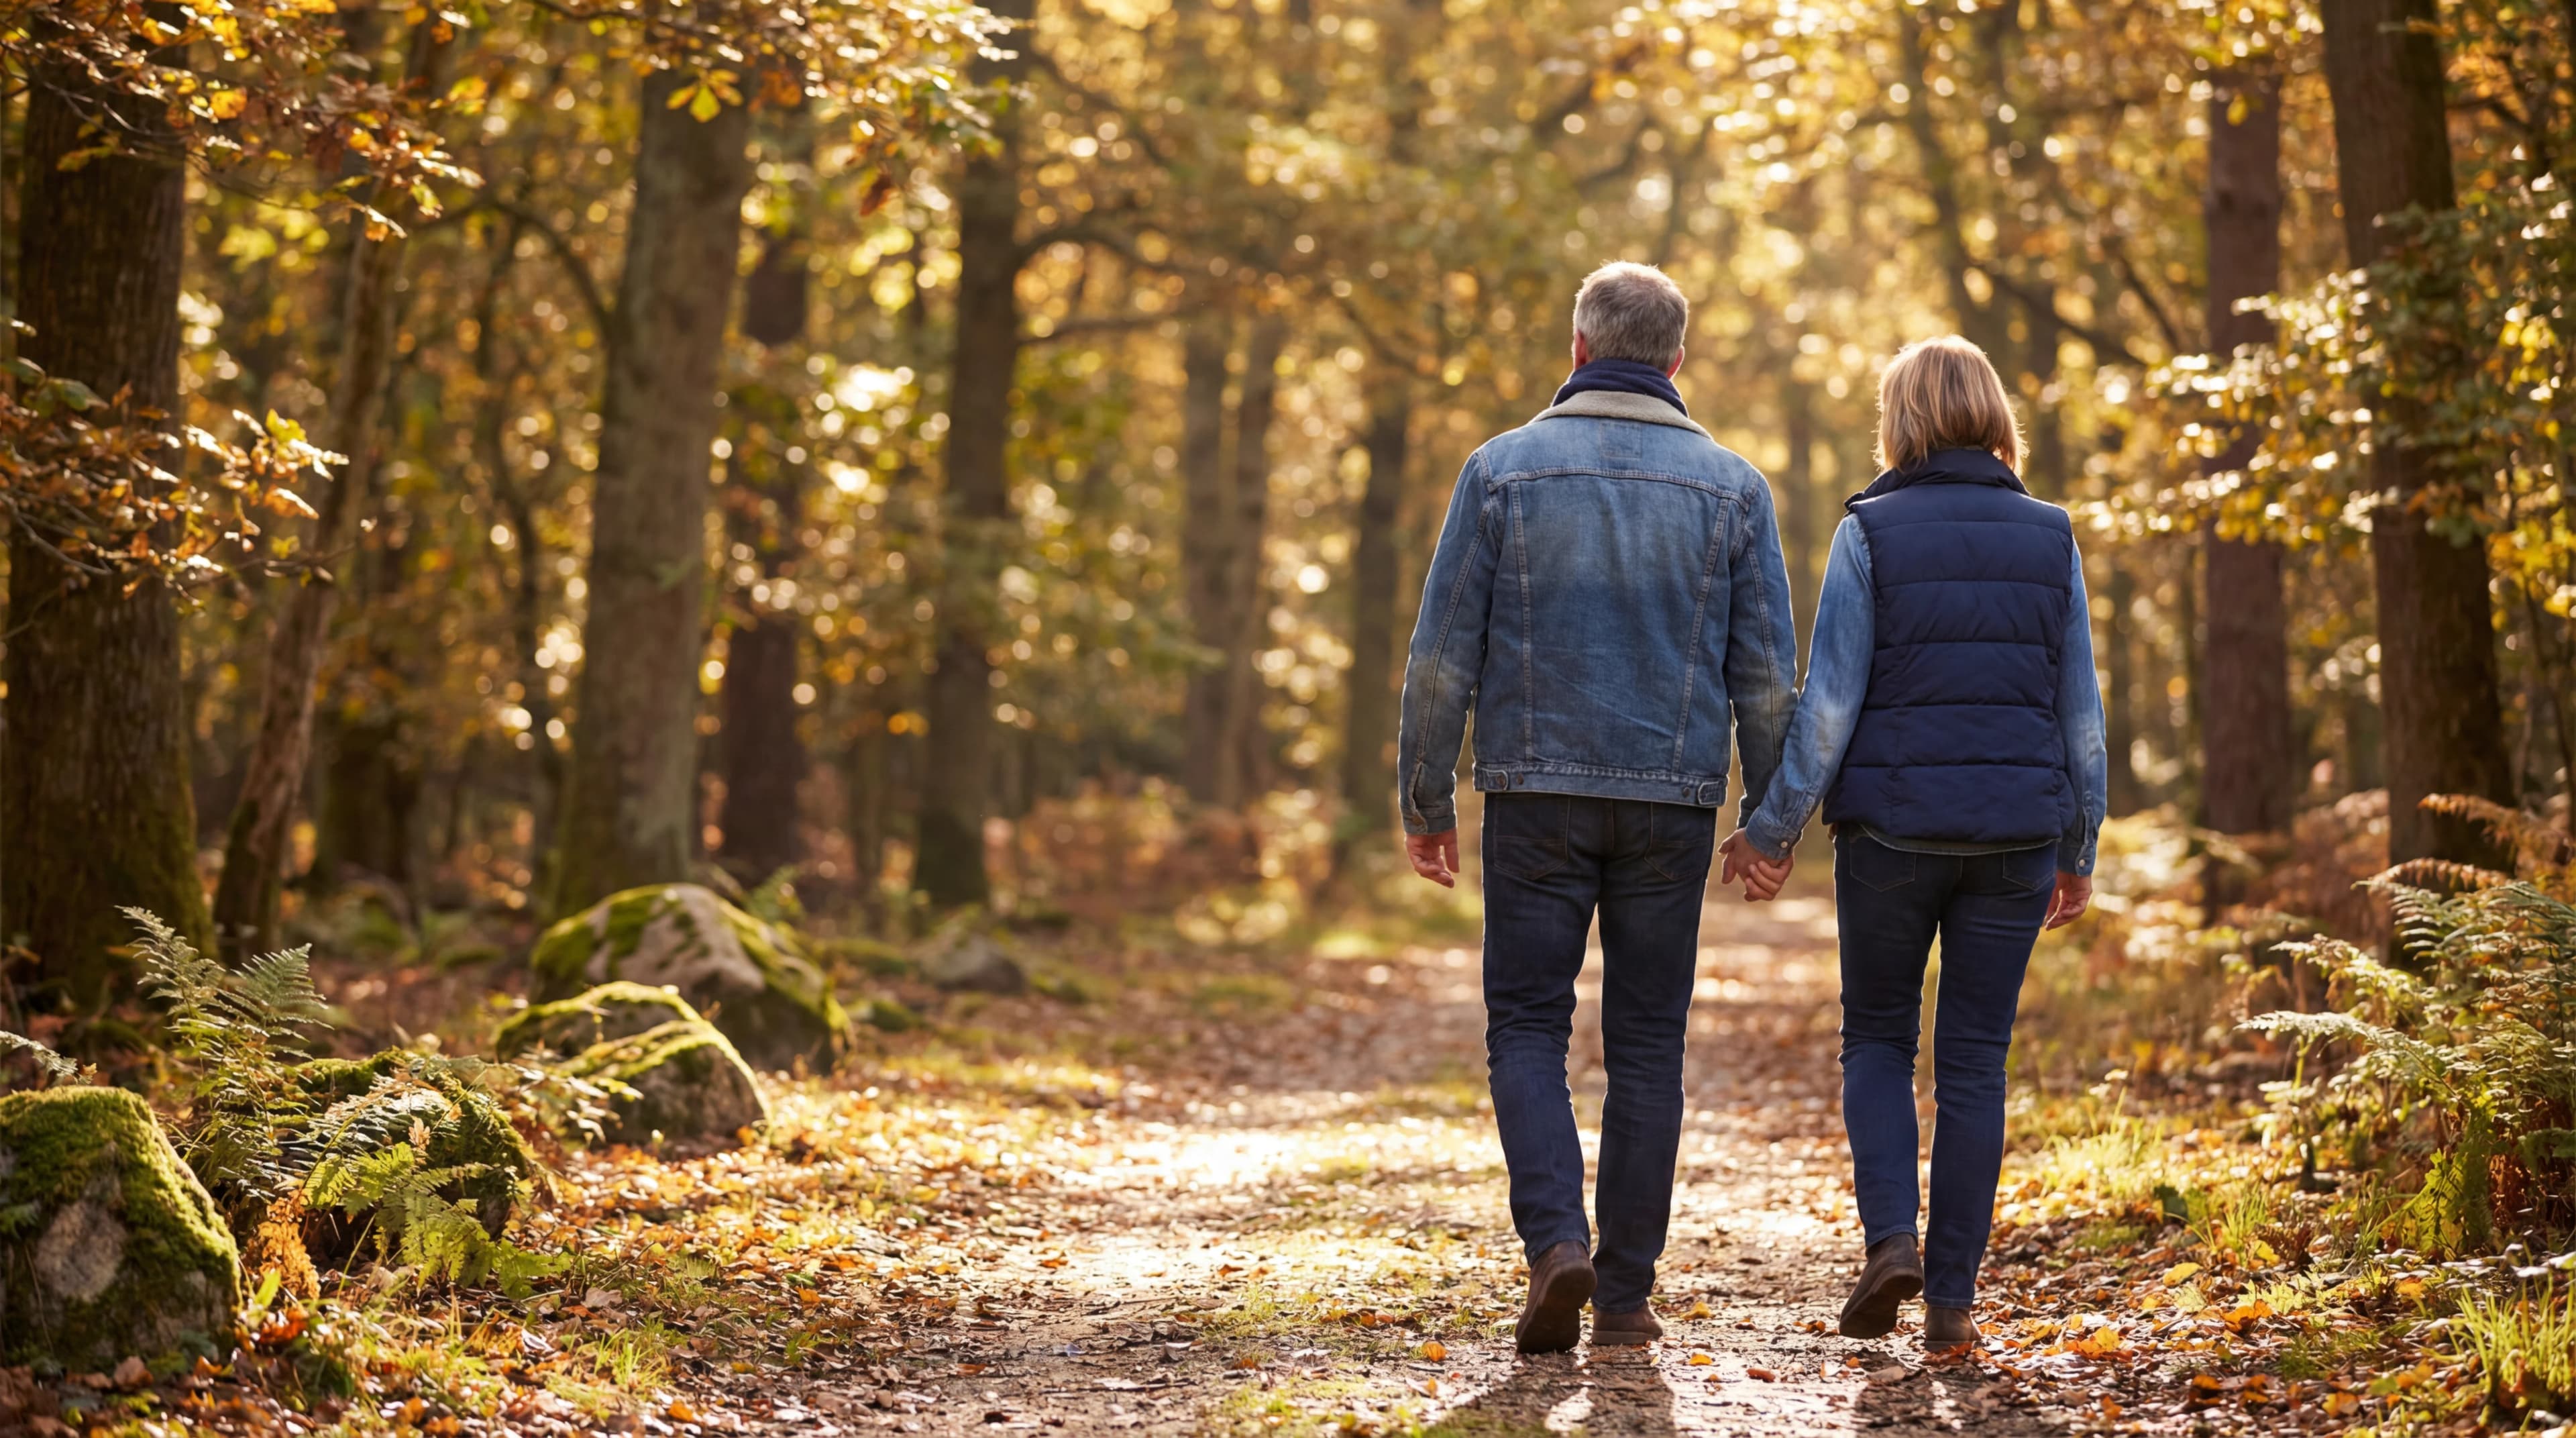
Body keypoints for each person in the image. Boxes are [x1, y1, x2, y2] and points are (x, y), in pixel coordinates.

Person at [1395, 260, 1799, 1354]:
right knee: (1649, 1046)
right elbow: (1765, 677)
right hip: (1671, 807)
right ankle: (1623, 1296)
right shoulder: (1735, 487)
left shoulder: (1501, 471)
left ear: (1577, 350)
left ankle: (1554, 1245)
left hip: (1532, 797)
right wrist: (1772, 820)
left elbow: (1441, 659)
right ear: (1677, 360)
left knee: (1527, 1028)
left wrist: (1425, 794)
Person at [1726, 334, 2108, 1353]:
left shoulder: (1871, 532)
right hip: (2017, 838)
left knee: (1880, 1041)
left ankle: (1891, 1239)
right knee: (1977, 1064)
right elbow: (2083, 718)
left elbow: (1829, 707)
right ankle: (1950, 1308)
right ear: (1993, 417)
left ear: (1900, 420)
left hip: (1892, 836)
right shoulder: (2051, 534)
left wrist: (1772, 832)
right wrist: (2082, 845)